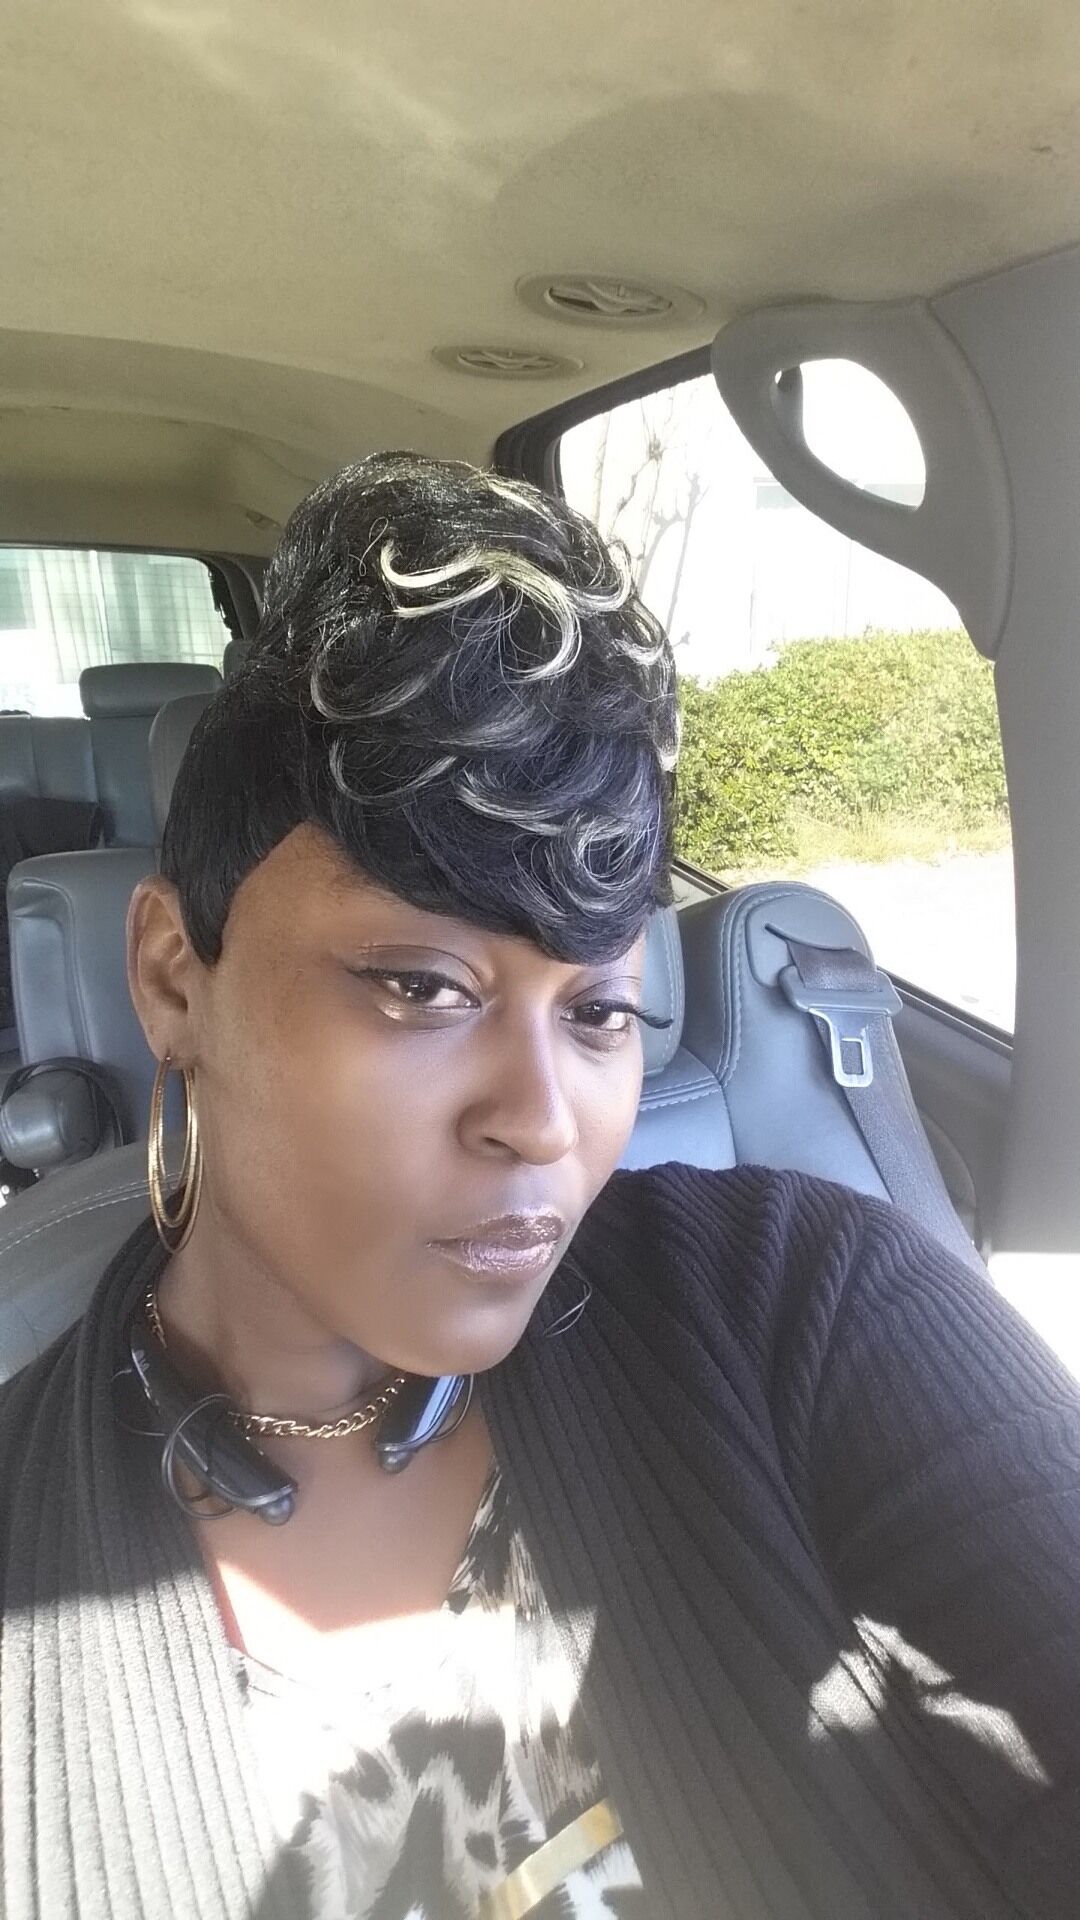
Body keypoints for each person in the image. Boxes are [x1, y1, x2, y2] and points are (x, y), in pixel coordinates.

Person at [0, 454, 1077, 1920]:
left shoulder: (810, 1309)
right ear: (174, 977)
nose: (544, 1122)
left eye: (601, 1011)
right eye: (423, 986)